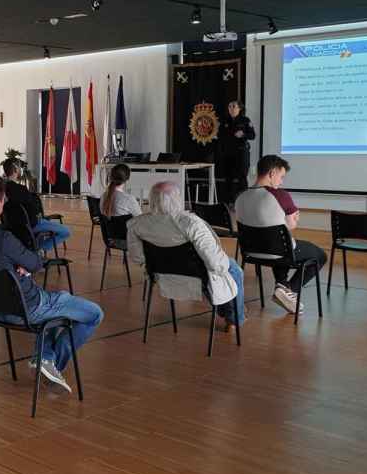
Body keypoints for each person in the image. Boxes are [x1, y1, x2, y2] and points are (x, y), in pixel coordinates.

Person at [0, 176, 103, 392]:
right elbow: (35, 263)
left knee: (57, 308)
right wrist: (22, 262)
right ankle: (48, 361)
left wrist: (13, 262)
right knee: (94, 314)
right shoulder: (2, 238)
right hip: (27, 307)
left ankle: (45, 358)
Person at [127, 182, 244, 331]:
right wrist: (224, 264)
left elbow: (137, 257)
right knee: (234, 270)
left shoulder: (137, 224)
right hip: (198, 276)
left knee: (220, 271)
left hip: (163, 274)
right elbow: (215, 263)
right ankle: (234, 320)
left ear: (151, 199)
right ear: (178, 200)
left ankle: (227, 310)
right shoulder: (191, 223)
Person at [234, 155, 326, 313]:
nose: (281, 182)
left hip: (251, 253)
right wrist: (294, 220)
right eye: (281, 176)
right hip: (280, 251)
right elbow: (291, 225)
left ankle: (282, 286)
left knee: (278, 246)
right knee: (320, 255)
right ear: (272, 173)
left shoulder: (240, 197)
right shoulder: (280, 195)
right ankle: (289, 289)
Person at [1, 158, 70, 252]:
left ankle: (35, 251)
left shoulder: (1, 189)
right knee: (66, 231)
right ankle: (40, 250)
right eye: (20, 167)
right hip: (30, 225)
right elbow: (32, 209)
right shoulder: (21, 189)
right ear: (16, 169)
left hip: (12, 227)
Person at [224, 100, 256, 201]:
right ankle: (230, 202)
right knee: (228, 178)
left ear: (239, 108)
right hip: (228, 153)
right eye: (229, 106)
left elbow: (253, 135)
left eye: (234, 106)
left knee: (242, 178)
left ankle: (245, 202)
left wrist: (243, 134)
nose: (231, 109)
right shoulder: (225, 120)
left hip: (242, 153)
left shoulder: (245, 120)